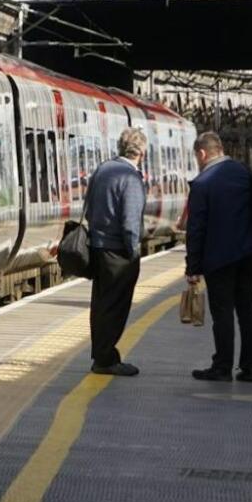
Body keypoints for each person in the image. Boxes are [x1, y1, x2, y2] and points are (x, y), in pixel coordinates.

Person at [185, 132, 252, 383]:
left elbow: (196, 229)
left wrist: (193, 267)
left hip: (219, 259)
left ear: (202, 154)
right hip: (249, 254)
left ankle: (222, 366)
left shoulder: (202, 183)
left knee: (223, 313)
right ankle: (251, 368)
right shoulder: (244, 172)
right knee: (248, 310)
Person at [84, 128, 149, 376]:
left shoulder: (102, 170)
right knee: (116, 306)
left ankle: (100, 353)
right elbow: (130, 222)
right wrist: (133, 252)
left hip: (98, 248)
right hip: (119, 252)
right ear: (141, 152)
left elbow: (88, 207)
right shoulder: (131, 178)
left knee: (101, 304)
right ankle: (106, 359)